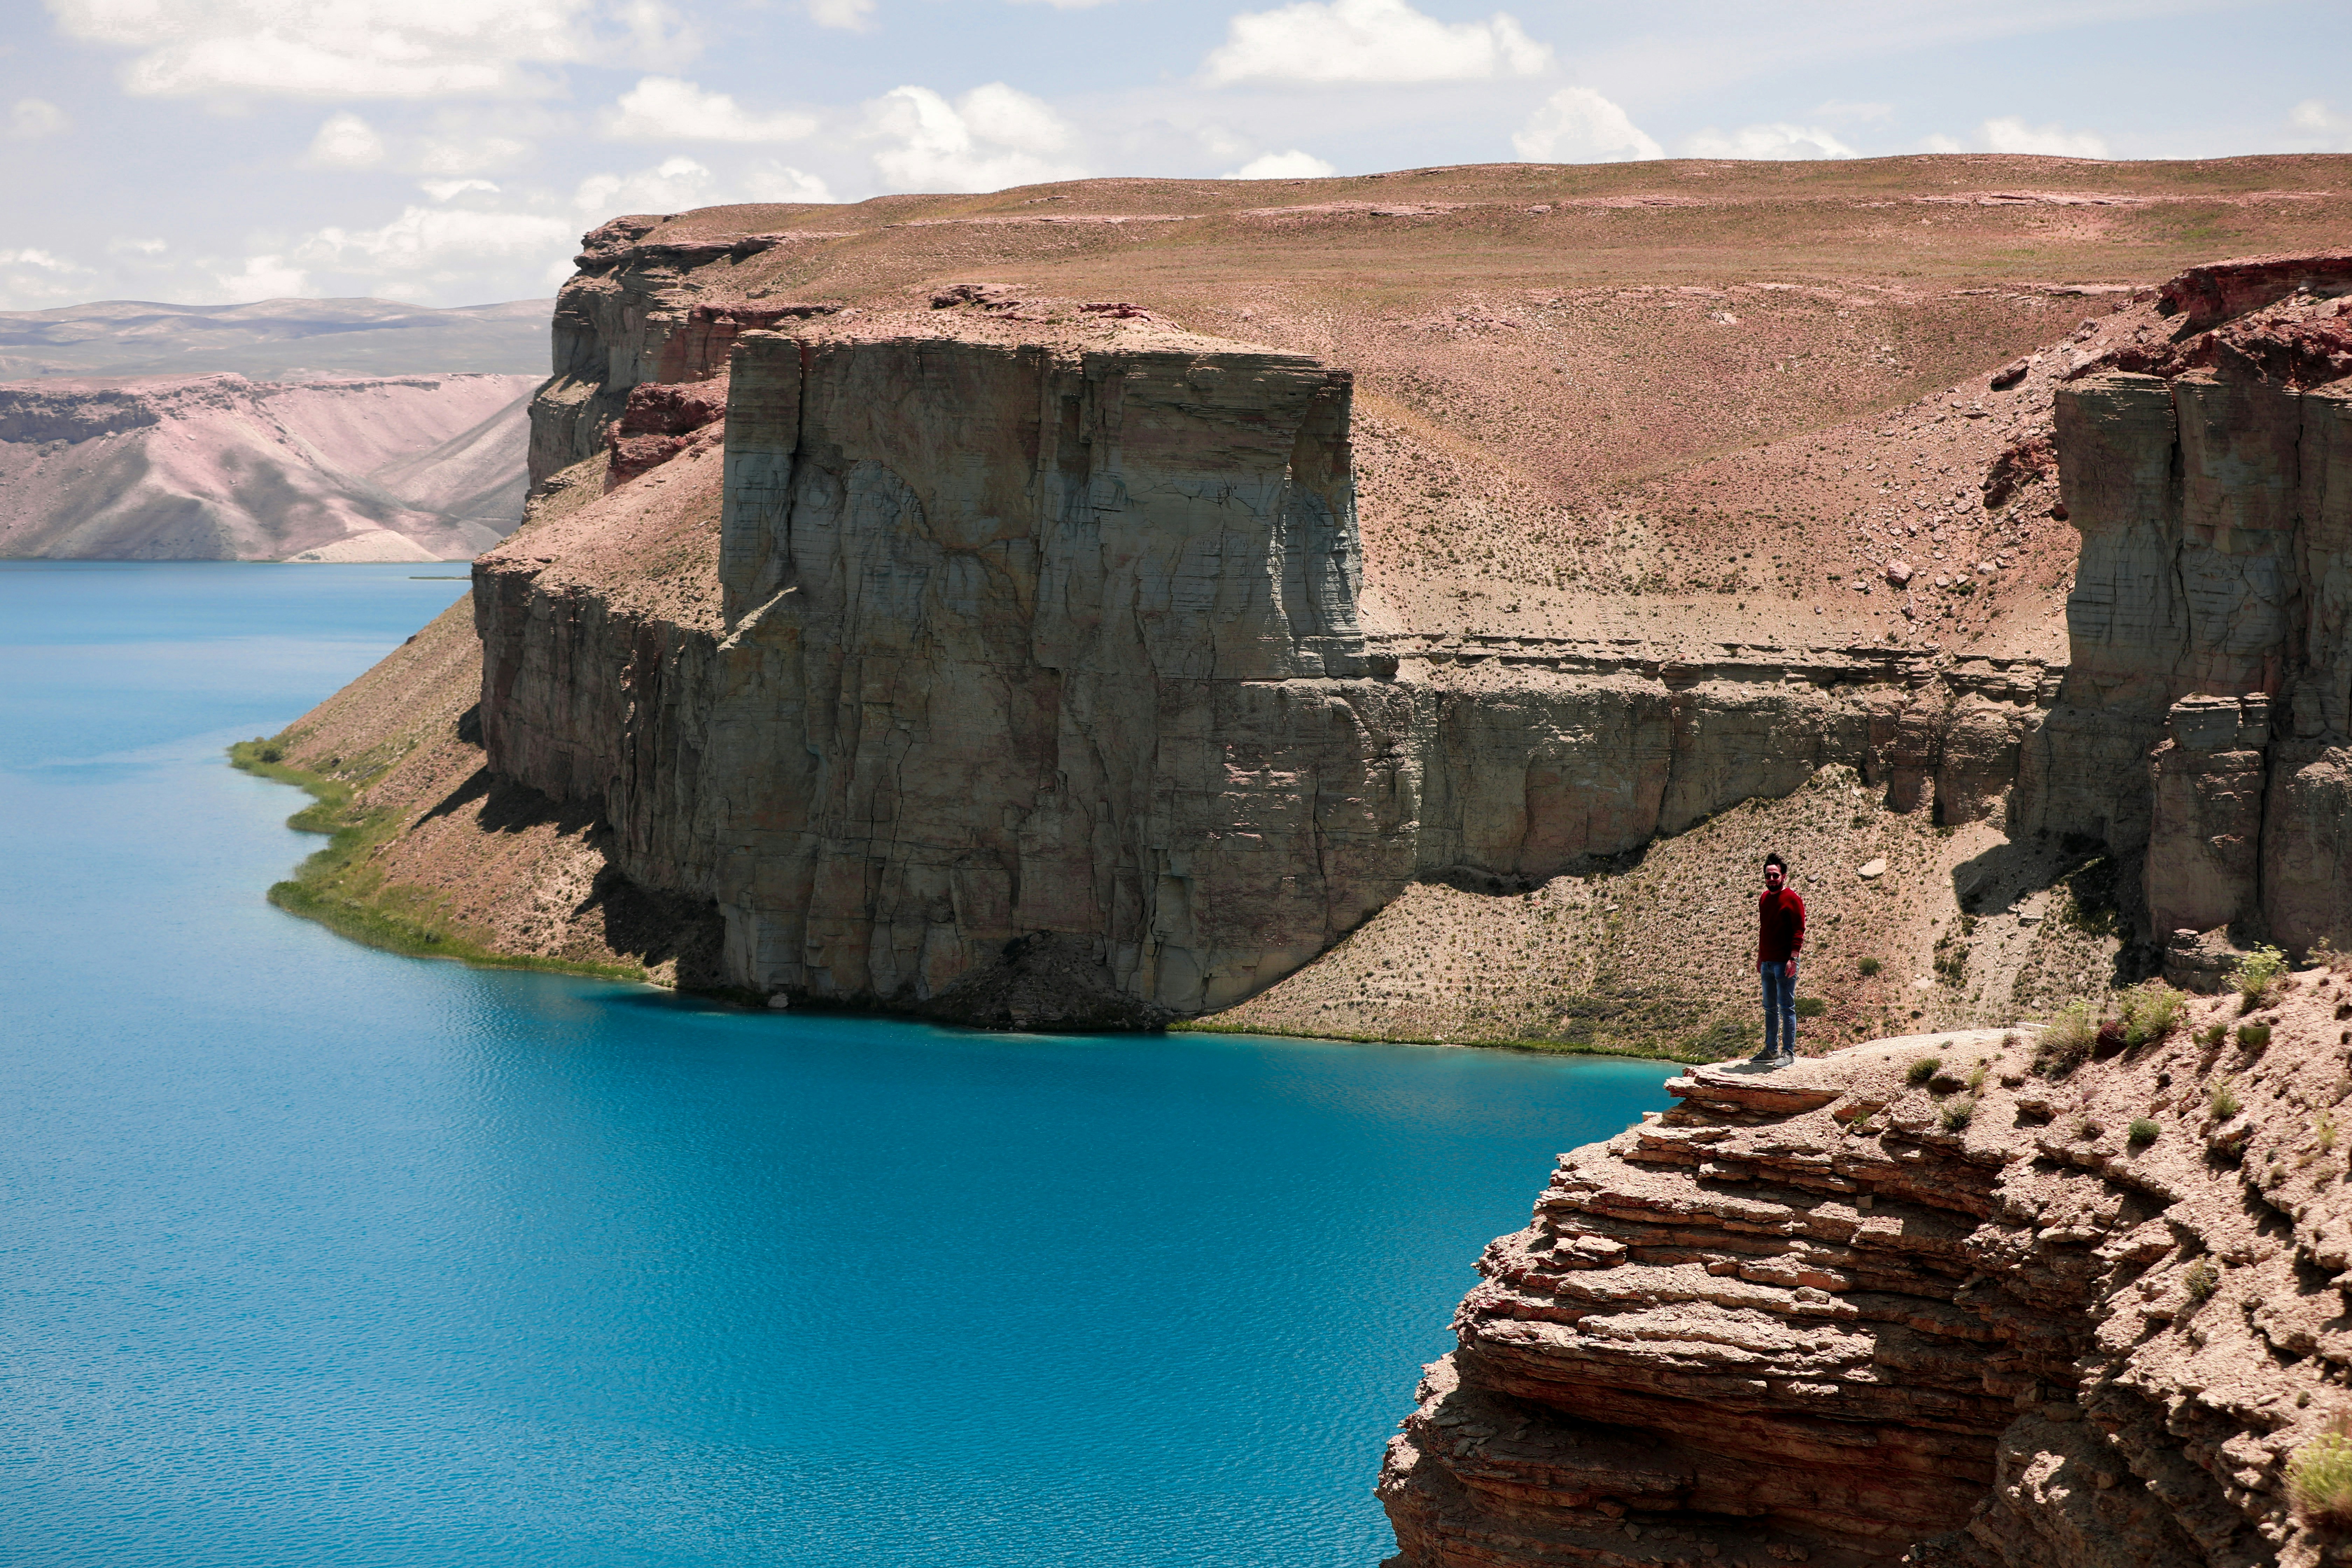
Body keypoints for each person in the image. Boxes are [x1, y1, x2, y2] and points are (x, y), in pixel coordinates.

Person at [1749, 853, 1806, 1066]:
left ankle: (1788, 1053)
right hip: (1768, 962)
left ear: (1784, 876)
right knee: (1769, 1007)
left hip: (1785, 962)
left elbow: (1799, 931)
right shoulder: (1764, 898)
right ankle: (1770, 1050)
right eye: (1768, 876)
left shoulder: (1793, 899)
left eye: (1775, 876)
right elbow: (1765, 930)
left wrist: (1794, 958)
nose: (1771, 880)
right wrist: (1760, 957)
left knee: (1786, 1007)